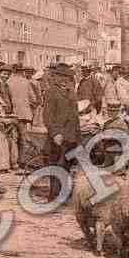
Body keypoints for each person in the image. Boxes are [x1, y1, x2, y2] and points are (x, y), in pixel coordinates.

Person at [43, 63, 80, 202]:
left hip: (72, 134)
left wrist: (77, 135)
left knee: (68, 164)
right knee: (56, 164)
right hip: (58, 135)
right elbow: (47, 116)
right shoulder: (51, 92)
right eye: (61, 76)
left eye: (67, 76)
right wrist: (55, 133)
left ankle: (64, 192)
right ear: (55, 77)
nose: (64, 79)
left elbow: (75, 114)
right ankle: (54, 195)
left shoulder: (71, 91)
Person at [7, 63, 39, 169]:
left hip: (11, 114)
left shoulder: (8, 82)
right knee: (23, 138)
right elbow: (33, 99)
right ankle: (23, 161)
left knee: (13, 138)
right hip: (24, 114)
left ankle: (13, 162)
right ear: (21, 71)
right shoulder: (26, 82)